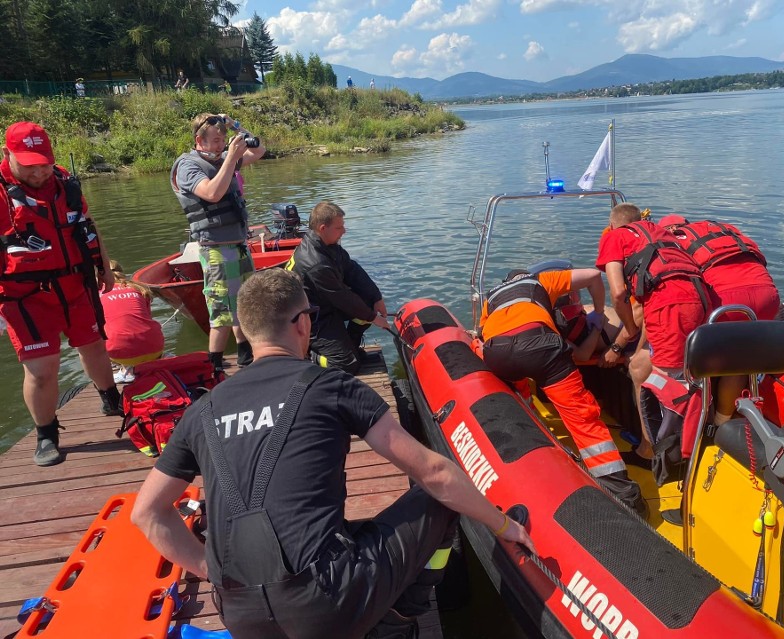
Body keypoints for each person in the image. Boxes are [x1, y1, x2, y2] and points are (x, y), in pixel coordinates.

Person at [131, 268, 534, 639]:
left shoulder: (202, 411)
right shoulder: (329, 386)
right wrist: (505, 527)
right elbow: (435, 475)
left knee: (342, 531)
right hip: (328, 607)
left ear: (248, 331)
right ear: (303, 322)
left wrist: (212, 571)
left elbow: (146, 514)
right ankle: (399, 621)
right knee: (438, 497)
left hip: (240, 615)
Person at [0, 122, 122, 466]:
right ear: (6, 155)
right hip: (25, 295)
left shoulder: (64, 183)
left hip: (76, 284)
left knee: (95, 346)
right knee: (42, 369)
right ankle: (46, 433)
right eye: (29, 164)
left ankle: (111, 398)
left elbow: (88, 223)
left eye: (44, 162)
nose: (39, 171)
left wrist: (105, 266)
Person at [479, 267, 646, 516]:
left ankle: (534, 439)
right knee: (583, 418)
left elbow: (485, 335)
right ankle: (624, 496)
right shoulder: (540, 281)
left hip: (499, 353)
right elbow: (592, 275)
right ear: (526, 277)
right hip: (540, 346)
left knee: (518, 394)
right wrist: (599, 314)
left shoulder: (491, 297)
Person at [596, 203, 710, 458]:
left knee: (663, 381)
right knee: (677, 369)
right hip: (701, 298)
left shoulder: (615, 236)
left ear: (613, 224)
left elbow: (618, 293)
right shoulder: (660, 233)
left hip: (670, 307)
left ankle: (658, 452)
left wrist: (627, 330)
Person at [659, 214, 780, 425]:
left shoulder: (673, 242)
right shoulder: (723, 230)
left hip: (726, 301)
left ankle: (705, 422)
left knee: (700, 351)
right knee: (741, 358)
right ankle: (723, 420)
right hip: (769, 296)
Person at [170, 113, 266, 373]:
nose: (221, 145)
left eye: (223, 140)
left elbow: (259, 150)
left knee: (245, 301)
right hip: (215, 248)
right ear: (198, 140)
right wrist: (231, 158)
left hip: (238, 243)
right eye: (215, 140)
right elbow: (212, 193)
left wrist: (235, 123)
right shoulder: (188, 166)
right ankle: (213, 364)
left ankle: (245, 353)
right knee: (222, 309)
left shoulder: (225, 158)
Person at [285, 201, 389, 374]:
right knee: (346, 365)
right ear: (323, 228)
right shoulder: (315, 263)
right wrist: (374, 318)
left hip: (325, 305)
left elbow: (351, 269)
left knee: (368, 300)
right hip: (310, 317)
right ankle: (310, 355)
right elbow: (342, 298)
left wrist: (376, 297)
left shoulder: (327, 245)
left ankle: (352, 346)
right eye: (339, 228)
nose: (344, 231)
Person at [100, 260, 165, 383]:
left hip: (120, 353)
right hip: (155, 347)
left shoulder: (96, 294)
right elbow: (146, 317)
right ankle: (150, 362)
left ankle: (126, 370)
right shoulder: (138, 288)